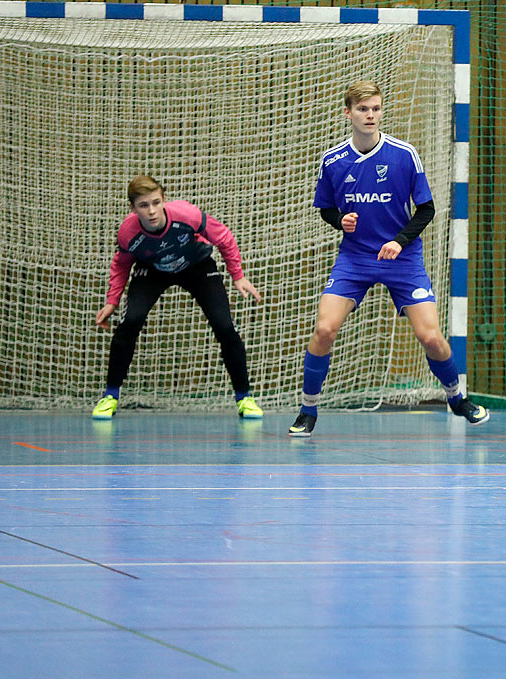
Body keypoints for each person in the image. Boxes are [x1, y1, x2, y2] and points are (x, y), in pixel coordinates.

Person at [290, 80, 486, 437]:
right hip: (355, 258)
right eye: (363, 109)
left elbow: (426, 209)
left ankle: (457, 397)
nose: (371, 115)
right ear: (348, 112)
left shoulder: (403, 154)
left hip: (403, 259)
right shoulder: (333, 160)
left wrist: (399, 241)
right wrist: (340, 220)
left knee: (431, 337)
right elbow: (326, 209)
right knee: (324, 330)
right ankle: (308, 409)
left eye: (376, 109)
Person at [93, 176, 263, 420]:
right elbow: (121, 265)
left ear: (164, 199)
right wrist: (112, 300)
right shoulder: (128, 233)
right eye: (143, 206)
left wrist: (238, 276)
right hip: (152, 270)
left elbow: (223, 236)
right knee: (130, 322)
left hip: (197, 266)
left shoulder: (187, 215)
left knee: (225, 325)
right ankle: (110, 396)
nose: (151, 211)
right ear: (133, 209)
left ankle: (244, 398)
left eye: (155, 202)